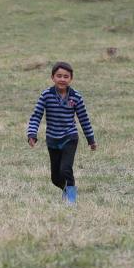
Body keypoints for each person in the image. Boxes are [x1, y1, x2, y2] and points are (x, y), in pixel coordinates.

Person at [26, 62, 96, 203]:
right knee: (55, 178)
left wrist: (91, 139)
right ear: (53, 77)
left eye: (66, 76)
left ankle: (71, 199)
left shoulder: (76, 97)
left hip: (70, 137)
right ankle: (66, 188)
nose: (62, 79)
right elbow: (36, 116)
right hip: (52, 140)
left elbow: (84, 119)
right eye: (59, 76)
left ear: (71, 79)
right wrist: (32, 134)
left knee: (65, 169)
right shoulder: (46, 95)